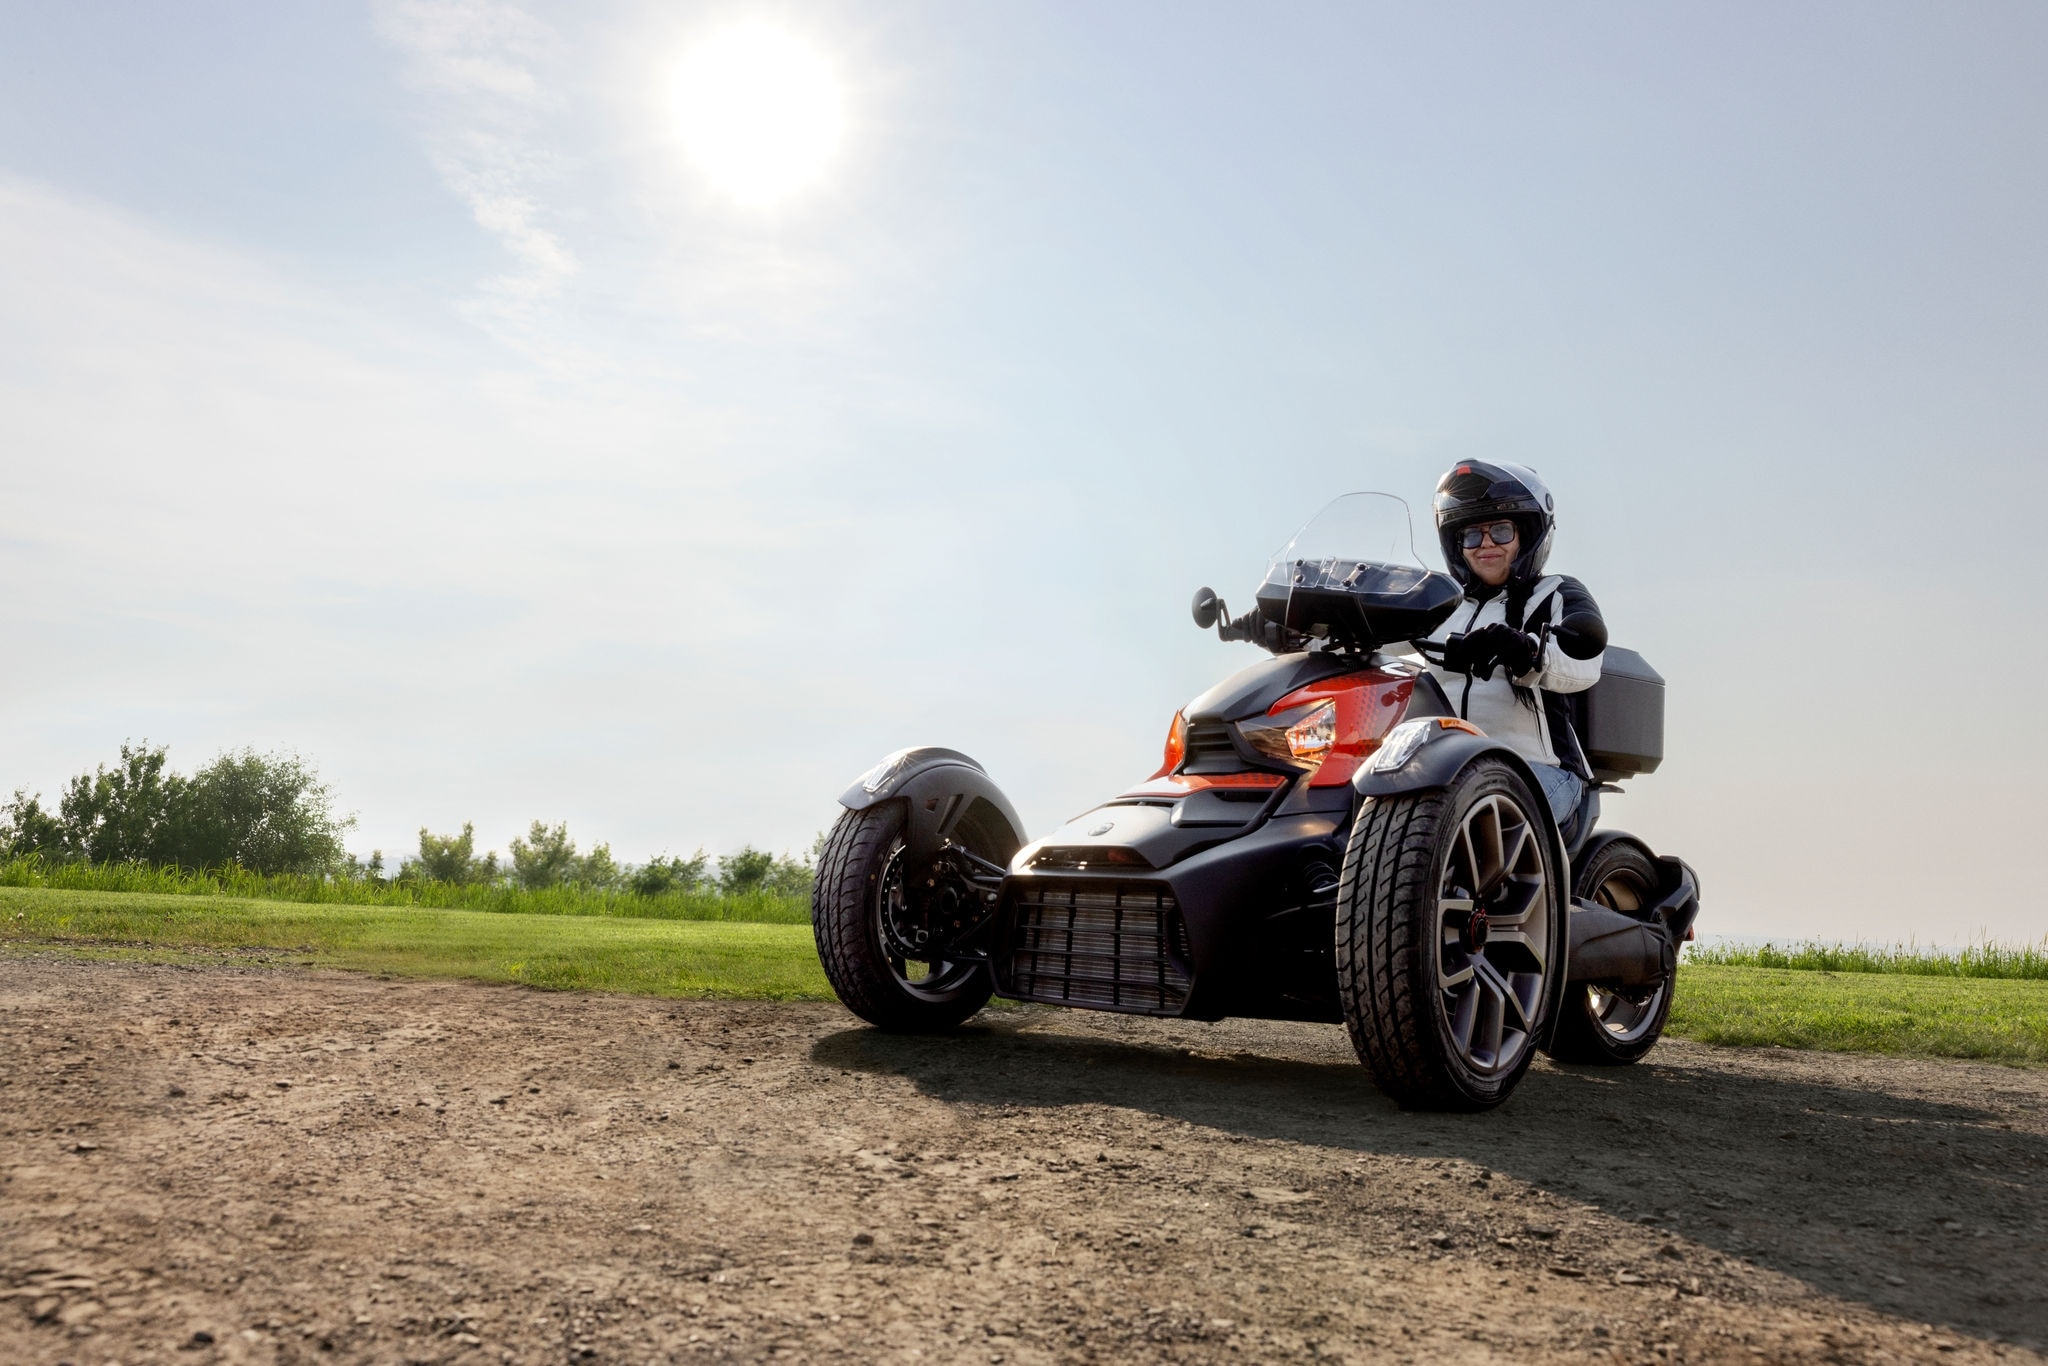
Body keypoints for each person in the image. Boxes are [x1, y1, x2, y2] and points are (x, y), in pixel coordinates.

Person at [1420, 461, 1607, 842]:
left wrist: (1526, 650)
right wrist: (1292, 624)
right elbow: (1372, 627)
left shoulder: (1555, 592)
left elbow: (1583, 661)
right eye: (1471, 535)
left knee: (1469, 803)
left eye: (1501, 531)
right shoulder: (1436, 605)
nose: (1486, 544)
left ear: (1526, 536)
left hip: (1542, 768)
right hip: (1442, 769)